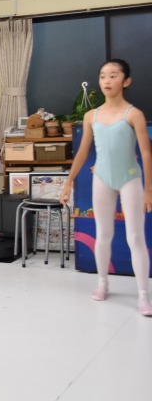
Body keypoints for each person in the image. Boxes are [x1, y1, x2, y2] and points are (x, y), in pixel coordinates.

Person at [60, 58, 152, 316]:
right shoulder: (92, 116)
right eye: (102, 76)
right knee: (103, 234)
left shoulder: (133, 114)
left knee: (135, 237)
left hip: (130, 178)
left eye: (113, 75)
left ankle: (143, 296)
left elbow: (146, 153)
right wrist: (68, 182)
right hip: (102, 178)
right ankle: (102, 283)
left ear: (126, 81)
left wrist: (149, 189)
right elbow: (82, 152)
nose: (106, 81)